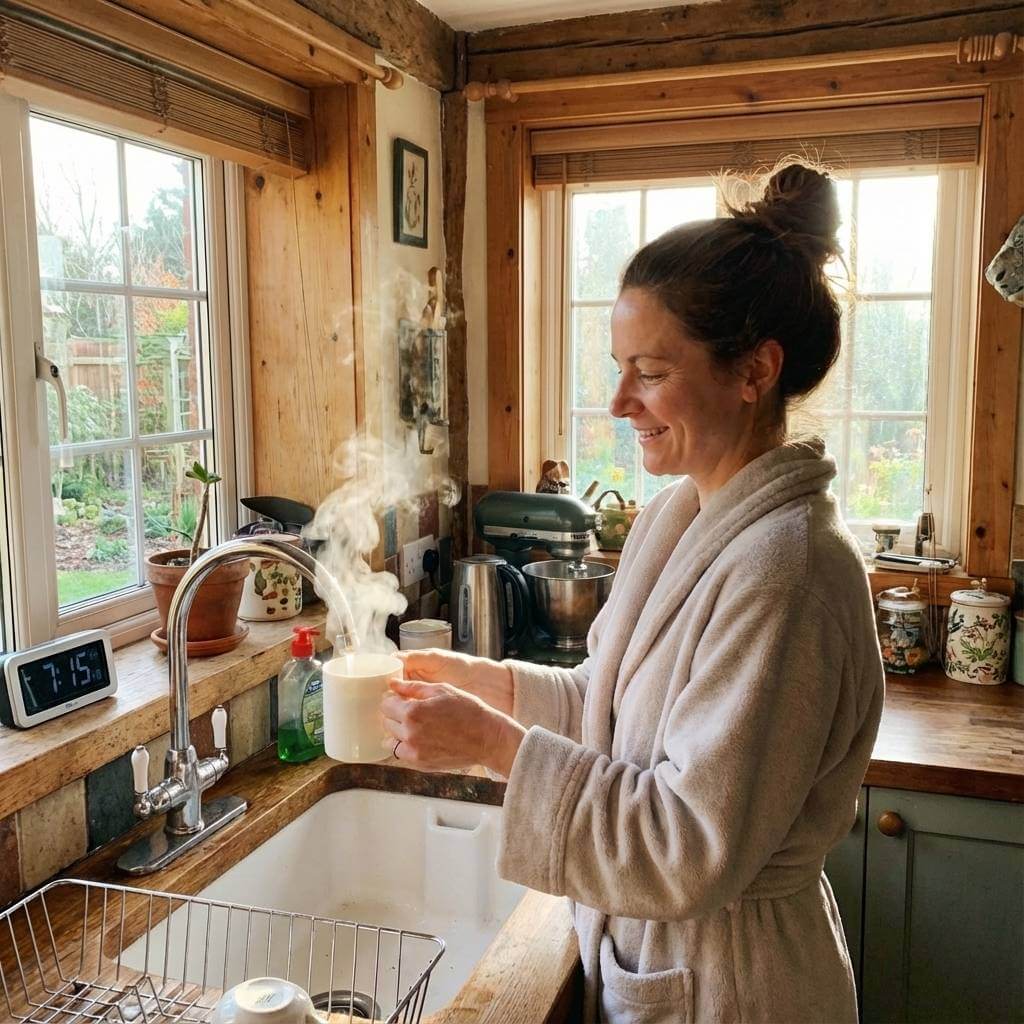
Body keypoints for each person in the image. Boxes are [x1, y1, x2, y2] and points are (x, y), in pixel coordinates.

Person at [381, 162, 885, 1023]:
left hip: (737, 986)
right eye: (620, 368)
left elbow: (687, 848)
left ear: (754, 370)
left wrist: (501, 748)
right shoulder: (672, 519)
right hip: (665, 968)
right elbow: (608, 708)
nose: (619, 401)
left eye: (649, 371)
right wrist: (484, 683)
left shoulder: (787, 570)